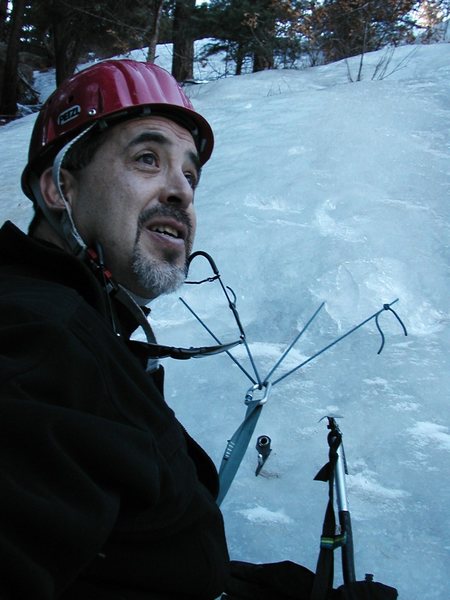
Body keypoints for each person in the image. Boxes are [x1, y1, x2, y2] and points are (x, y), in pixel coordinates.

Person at [0, 60, 317, 599]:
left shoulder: (80, 326)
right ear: (60, 188)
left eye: (190, 175)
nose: (182, 192)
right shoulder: (34, 336)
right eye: (148, 159)